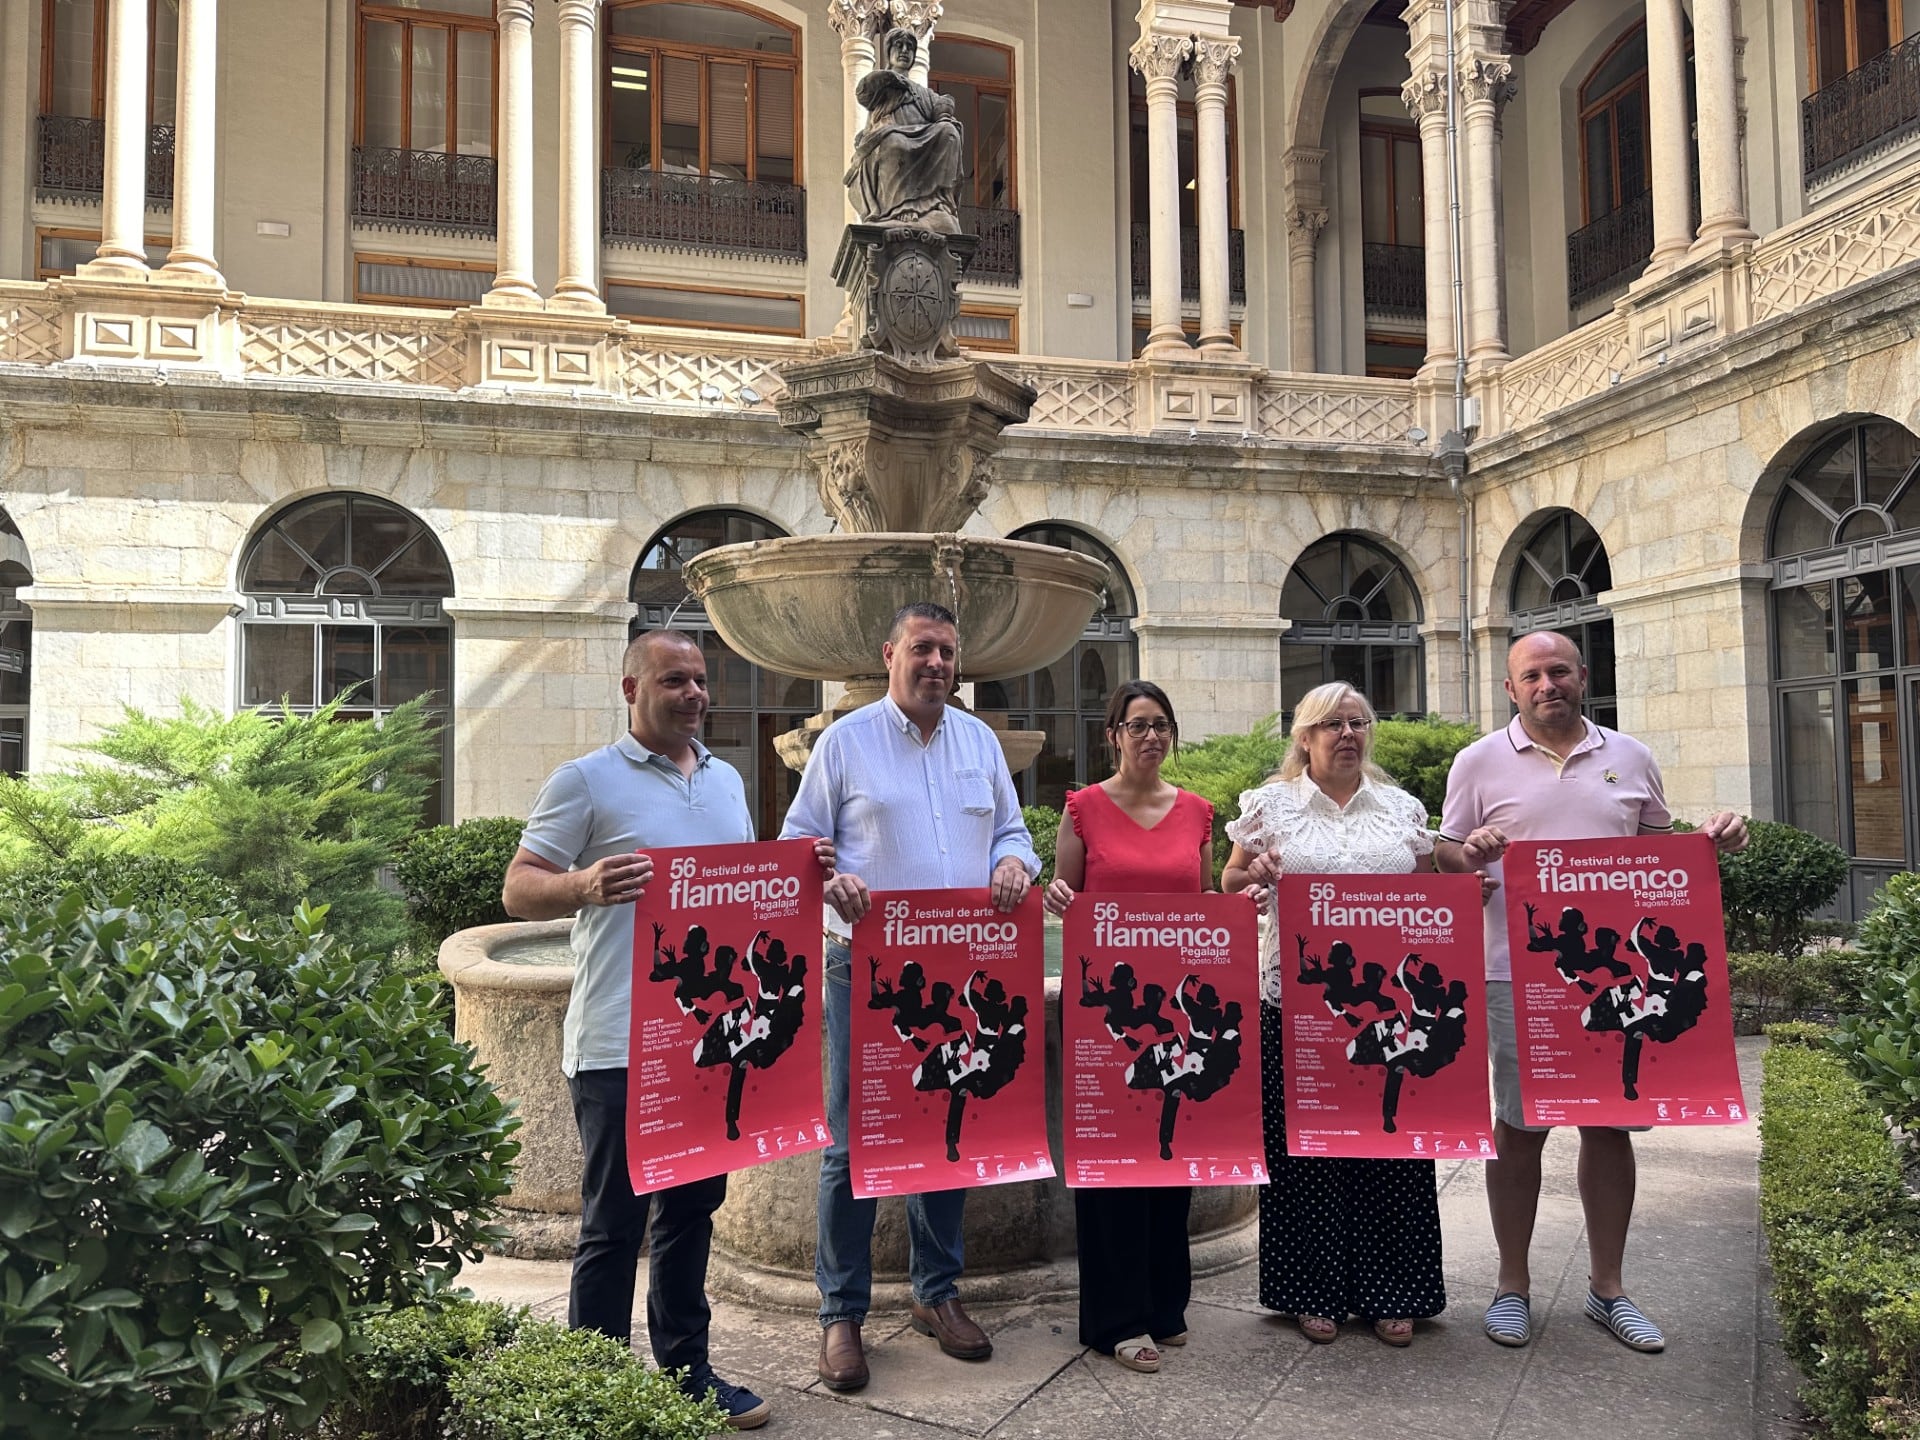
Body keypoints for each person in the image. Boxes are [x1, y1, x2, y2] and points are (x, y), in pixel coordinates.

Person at [501, 630, 833, 1431]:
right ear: (631, 690)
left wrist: (801, 875)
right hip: (617, 1042)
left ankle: (687, 1371)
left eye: (699, 681)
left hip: (704, 1044)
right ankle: (592, 1387)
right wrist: (581, 884)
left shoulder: (724, 782)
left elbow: (741, 897)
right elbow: (518, 889)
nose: (692, 693)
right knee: (613, 1225)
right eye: (673, 679)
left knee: (692, 1215)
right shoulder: (585, 781)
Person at [1435, 630, 1748, 1353]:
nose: (1548, 685)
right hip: (1519, 976)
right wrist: (1468, 853)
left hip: (1619, 982)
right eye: (1532, 676)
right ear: (1510, 689)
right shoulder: (1477, 762)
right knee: (1519, 1129)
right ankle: (1512, 1287)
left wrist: (1718, 840)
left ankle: (1608, 1289)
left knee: (1609, 1127)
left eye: (1559, 671)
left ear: (1583, 676)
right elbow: (1445, 854)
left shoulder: (1632, 757)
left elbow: (1662, 860)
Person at [780, 601, 1040, 1392]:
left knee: (947, 1131)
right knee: (850, 1145)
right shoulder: (844, 743)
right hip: (865, 970)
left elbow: (1014, 833)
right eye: (923, 649)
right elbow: (800, 844)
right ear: (890, 653)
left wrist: (1011, 865)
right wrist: (832, 876)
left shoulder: (980, 742)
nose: (937, 664)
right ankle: (842, 1314)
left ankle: (937, 1295)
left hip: (962, 974)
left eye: (948, 653)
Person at [1219, 681, 1450, 1348]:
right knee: (1305, 1152)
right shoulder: (1271, 806)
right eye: (1331, 725)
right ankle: (1309, 1290)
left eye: (1357, 723)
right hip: (1296, 1006)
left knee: (1389, 1143)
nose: (1346, 735)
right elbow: (1229, 882)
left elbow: (1432, 896)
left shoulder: (1402, 810)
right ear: (1305, 737)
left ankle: (1394, 1291)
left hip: (1388, 1009)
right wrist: (1253, 872)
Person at [1042, 680, 1217, 1376]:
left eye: (1162, 725)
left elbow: (1204, 904)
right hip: (1107, 1013)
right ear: (1112, 734)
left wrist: (1240, 903)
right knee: (1112, 1163)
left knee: (1172, 1150)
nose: (1152, 736)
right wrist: (1058, 898)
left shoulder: (1199, 812)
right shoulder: (1082, 809)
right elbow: (1068, 902)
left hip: (1177, 1011)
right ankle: (1116, 1318)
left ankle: (1166, 1303)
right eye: (1138, 725)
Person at [846, 27, 963, 233]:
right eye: (898, 46)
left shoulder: (922, 92)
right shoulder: (883, 83)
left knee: (949, 132)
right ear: (889, 52)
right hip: (890, 134)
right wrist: (891, 79)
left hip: (922, 134)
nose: (904, 50)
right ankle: (899, 209)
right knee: (895, 143)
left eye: (910, 47)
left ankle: (938, 204)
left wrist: (945, 108)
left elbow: (940, 107)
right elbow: (863, 92)